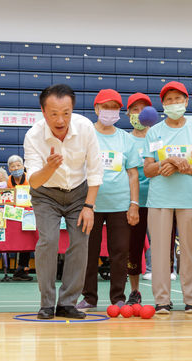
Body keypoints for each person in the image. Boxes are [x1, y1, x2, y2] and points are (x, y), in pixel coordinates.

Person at [24, 84, 103, 320]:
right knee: (48, 241)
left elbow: (95, 169)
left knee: (80, 242)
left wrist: (89, 206)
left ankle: (68, 302)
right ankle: (47, 303)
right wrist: (49, 167)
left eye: (66, 113)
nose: (60, 120)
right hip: (46, 194)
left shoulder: (85, 128)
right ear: (43, 111)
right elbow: (34, 182)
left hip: (79, 193)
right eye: (54, 114)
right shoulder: (33, 136)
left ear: (73, 110)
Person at [143, 82, 192, 313]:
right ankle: (162, 300)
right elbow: (148, 170)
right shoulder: (155, 132)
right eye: (169, 100)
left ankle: (191, 300)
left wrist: (184, 167)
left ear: (186, 101)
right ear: (163, 104)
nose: (174, 103)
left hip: (189, 200)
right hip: (160, 200)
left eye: (177, 99)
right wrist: (167, 162)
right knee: (160, 252)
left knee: (189, 252)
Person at [77, 89, 140, 311]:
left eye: (114, 107)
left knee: (120, 252)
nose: (110, 111)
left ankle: (118, 297)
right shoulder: (86, 136)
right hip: (90, 206)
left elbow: (133, 174)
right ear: (96, 109)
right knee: (88, 252)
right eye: (106, 107)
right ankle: (89, 297)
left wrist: (134, 204)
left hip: (120, 205)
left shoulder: (125, 139)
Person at [125, 93, 153, 304]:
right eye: (135, 110)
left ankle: (163, 295)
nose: (139, 114)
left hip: (159, 201)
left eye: (144, 109)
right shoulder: (125, 139)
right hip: (134, 203)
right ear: (128, 114)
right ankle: (135, 291)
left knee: (164, 250)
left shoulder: (160, 137)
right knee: (133, 248)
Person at [5, 155, 34, 281]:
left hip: (29, 213)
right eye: (13, 166)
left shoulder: (30, 178)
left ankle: (23, 267)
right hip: (14, 214)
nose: (16, 168)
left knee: (26, 239)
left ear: (23, 167)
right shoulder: (8, 180)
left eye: (18, 165)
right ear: (9, 169)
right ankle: (16, 268)